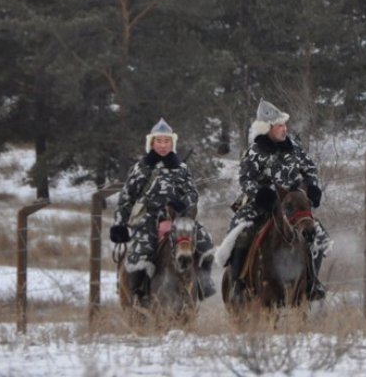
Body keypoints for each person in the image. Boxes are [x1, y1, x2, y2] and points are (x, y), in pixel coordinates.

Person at [215, 99, 331, 302]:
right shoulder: (255, 152)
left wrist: (312, 186)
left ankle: (311, 283)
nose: (284, 129)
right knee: (241, 234)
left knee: (318, 235)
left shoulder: (294, 148)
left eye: (284, 125)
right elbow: (245, 179)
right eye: (279, 126)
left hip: (292, 205)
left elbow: (310, 169)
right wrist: (260, 193)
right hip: (260, 205)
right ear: (267, 128)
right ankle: (237, 285)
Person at [110, 118, 216, 304]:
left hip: (179, 217)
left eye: (167, 141)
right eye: (159, 141)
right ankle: (138, 293)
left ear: (172, 143)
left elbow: (192, 194)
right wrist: (120, 224)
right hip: (148, 217)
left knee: (205, 242)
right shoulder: (140, 168)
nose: (163, 145)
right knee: (141, 250)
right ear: (152, 143)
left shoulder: (181, 169)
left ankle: (203, 283)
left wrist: (182, 205)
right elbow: (126, 198)